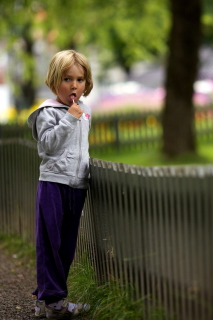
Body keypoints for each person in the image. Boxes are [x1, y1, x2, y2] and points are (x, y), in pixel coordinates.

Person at [27, 50, 93, 319]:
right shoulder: (48, 112)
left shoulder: (85, 112)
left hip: (76, 186)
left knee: (66, 245)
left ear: (86, 83)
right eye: (67, 79)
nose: (74, 85)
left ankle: (50, 299)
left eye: (80, 79)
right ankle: (53, 303)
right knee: (49, 242)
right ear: (55, 82)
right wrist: (68, 118)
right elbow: (47, 146)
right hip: (54, 183)